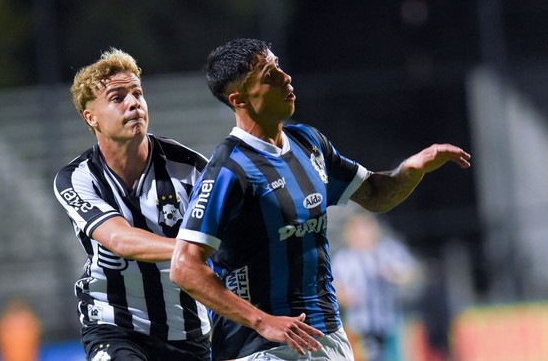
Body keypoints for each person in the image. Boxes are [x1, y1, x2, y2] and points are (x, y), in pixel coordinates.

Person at [170, 38, 471, 361]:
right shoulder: (228, 169)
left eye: (279, 67)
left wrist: (412, 169)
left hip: (328, 340)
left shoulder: (309, 143)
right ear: (239, 98)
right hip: (262, 349)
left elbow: (374, 194)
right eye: (269, 75)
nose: (285, 78)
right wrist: (263, 321)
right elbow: (185, 266)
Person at [53, 49, 211, 361]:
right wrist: (196, 246)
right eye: (117, 97)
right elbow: (120, 240)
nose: (133, 102)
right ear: (91, 117)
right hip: (115, 325)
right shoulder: (76, 178)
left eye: (137, 92)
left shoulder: (189, 166)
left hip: (189, 333)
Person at [332, 213, 421, 361]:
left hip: (391, 323)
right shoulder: (343, 259)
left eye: (365, 228)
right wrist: (345, 296)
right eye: (355, 230)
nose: (361, 234)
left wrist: (395, 275)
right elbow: (333, 290)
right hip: (360, 327)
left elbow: (412, 273)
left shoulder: (388, 250)